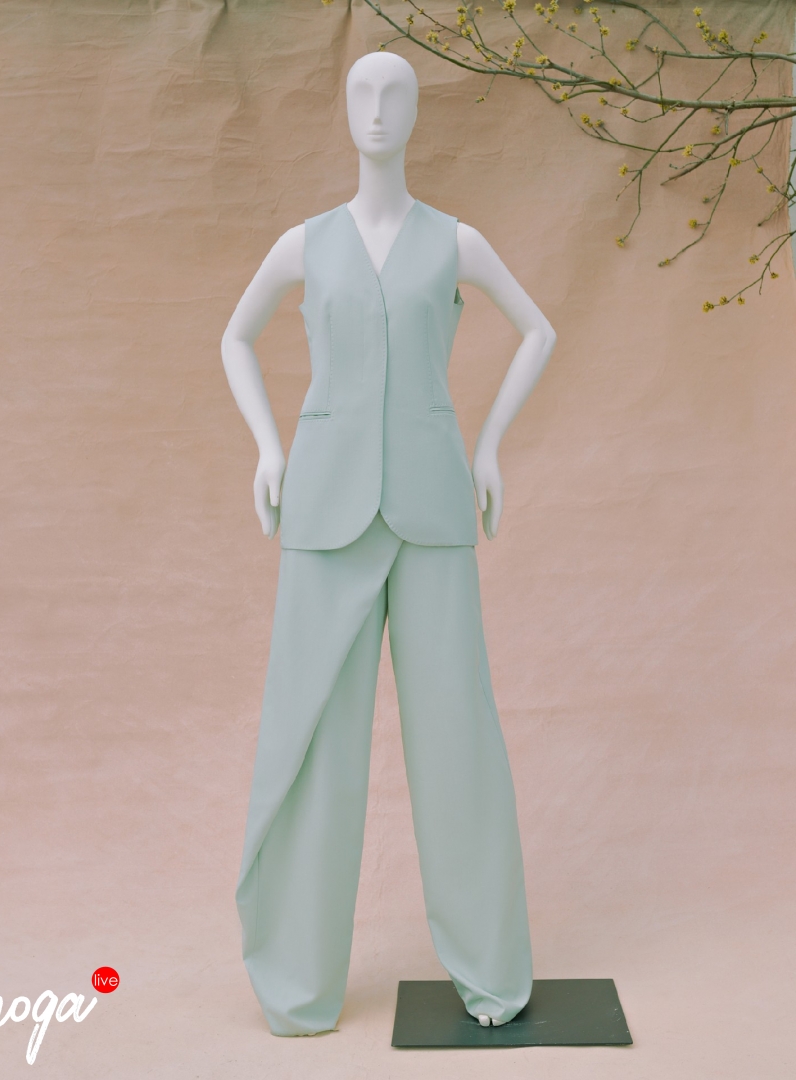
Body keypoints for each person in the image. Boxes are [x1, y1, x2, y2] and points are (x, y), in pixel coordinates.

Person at [221, 50, 556, 1037]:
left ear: (416, 112)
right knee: (311, 740)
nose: (376, 110)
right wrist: (268, 448)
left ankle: (492, 969)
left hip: (433, 507)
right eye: (361, 94)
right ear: (343, 111)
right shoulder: (303, 244)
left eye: (395, 94)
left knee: (458, 736)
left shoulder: (456, 242)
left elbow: (538, 331)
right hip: (322, 508)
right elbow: (235, 337)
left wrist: (487, 448)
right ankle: (296, 978)